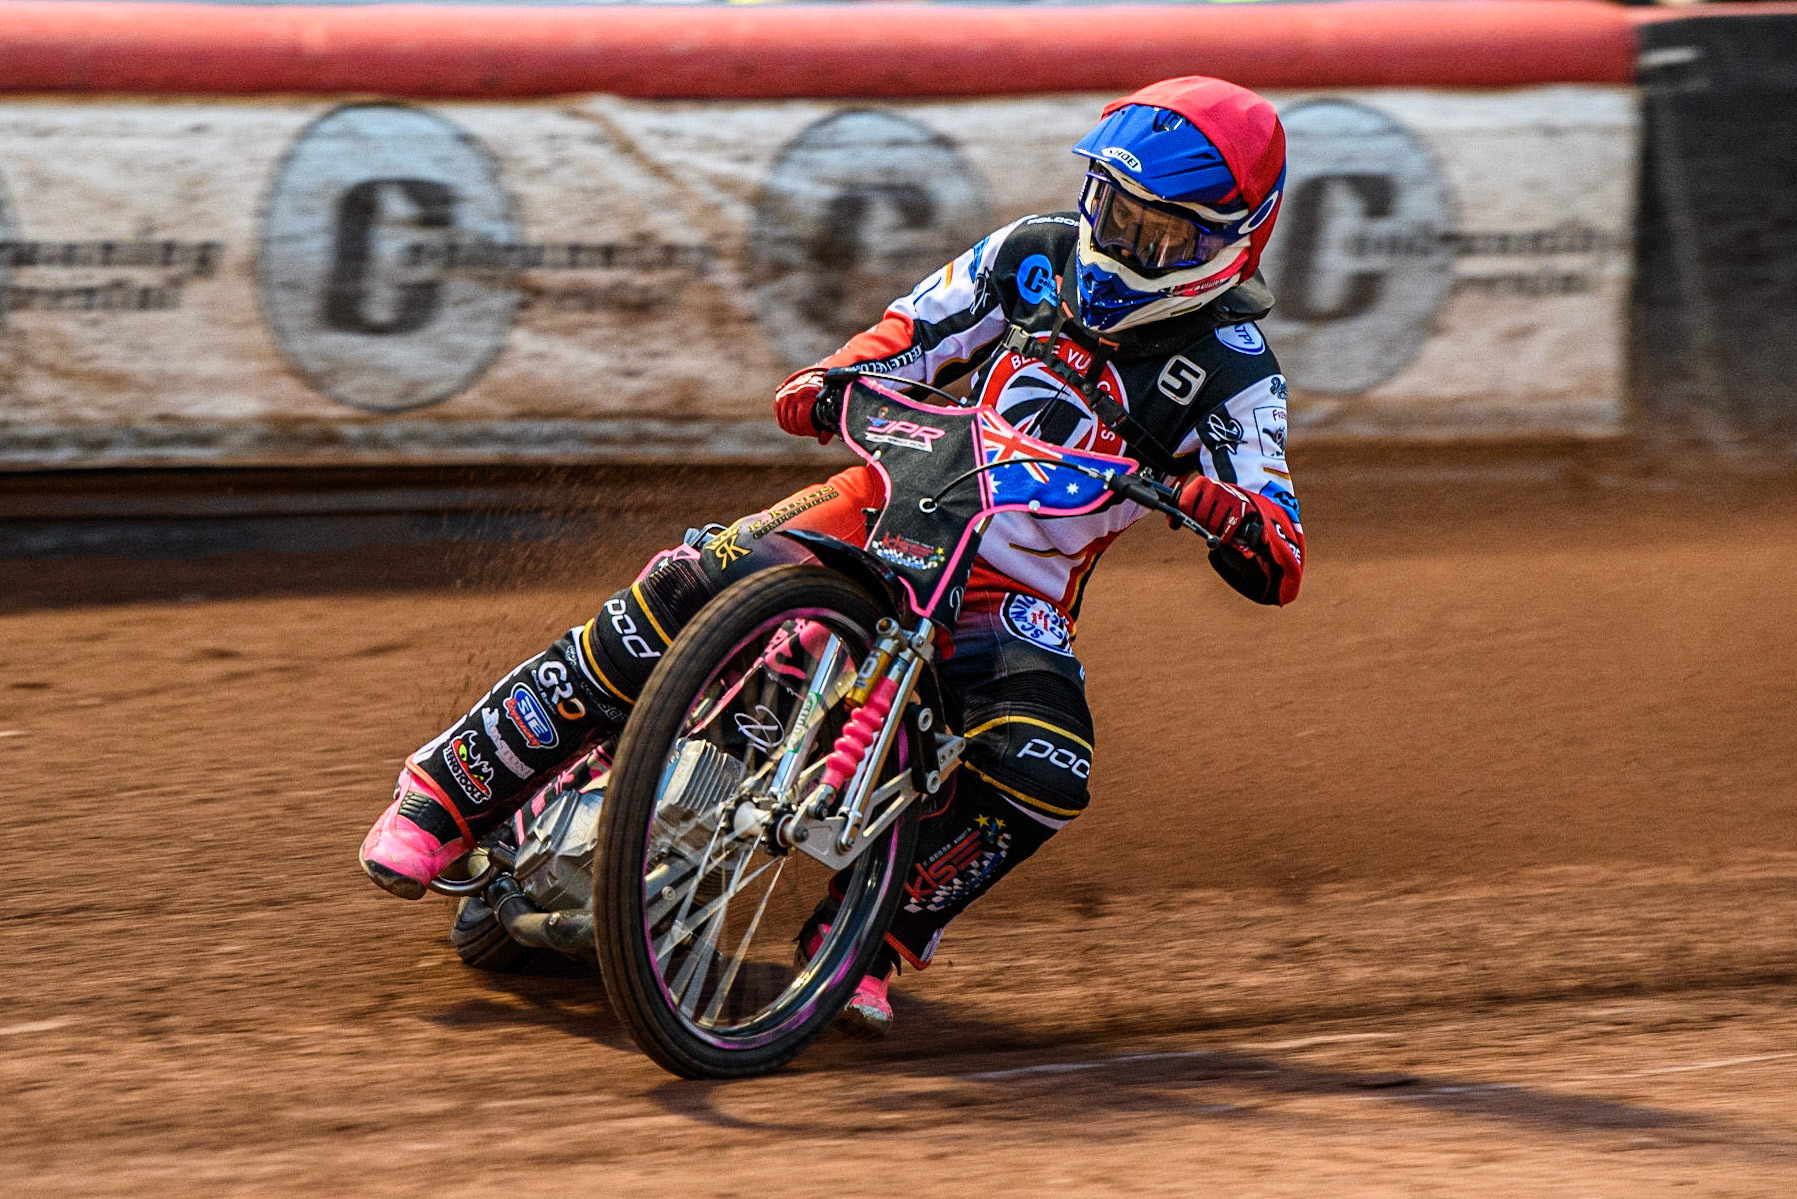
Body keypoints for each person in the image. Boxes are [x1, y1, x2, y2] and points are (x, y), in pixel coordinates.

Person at [359, 75, 1305, 1037]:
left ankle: (870, 941)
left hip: (1014, 589)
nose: (1116, 242)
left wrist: (1231, 515)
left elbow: (1279, 538)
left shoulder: (1235, 372)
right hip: (887, 495)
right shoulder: (1032, 254)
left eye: (1154, 233)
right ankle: (450, 790)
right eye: (1108, 206)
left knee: (1044, 764)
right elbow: (913, 329)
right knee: (692, 578)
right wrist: (833, 375)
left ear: (1229, 242)